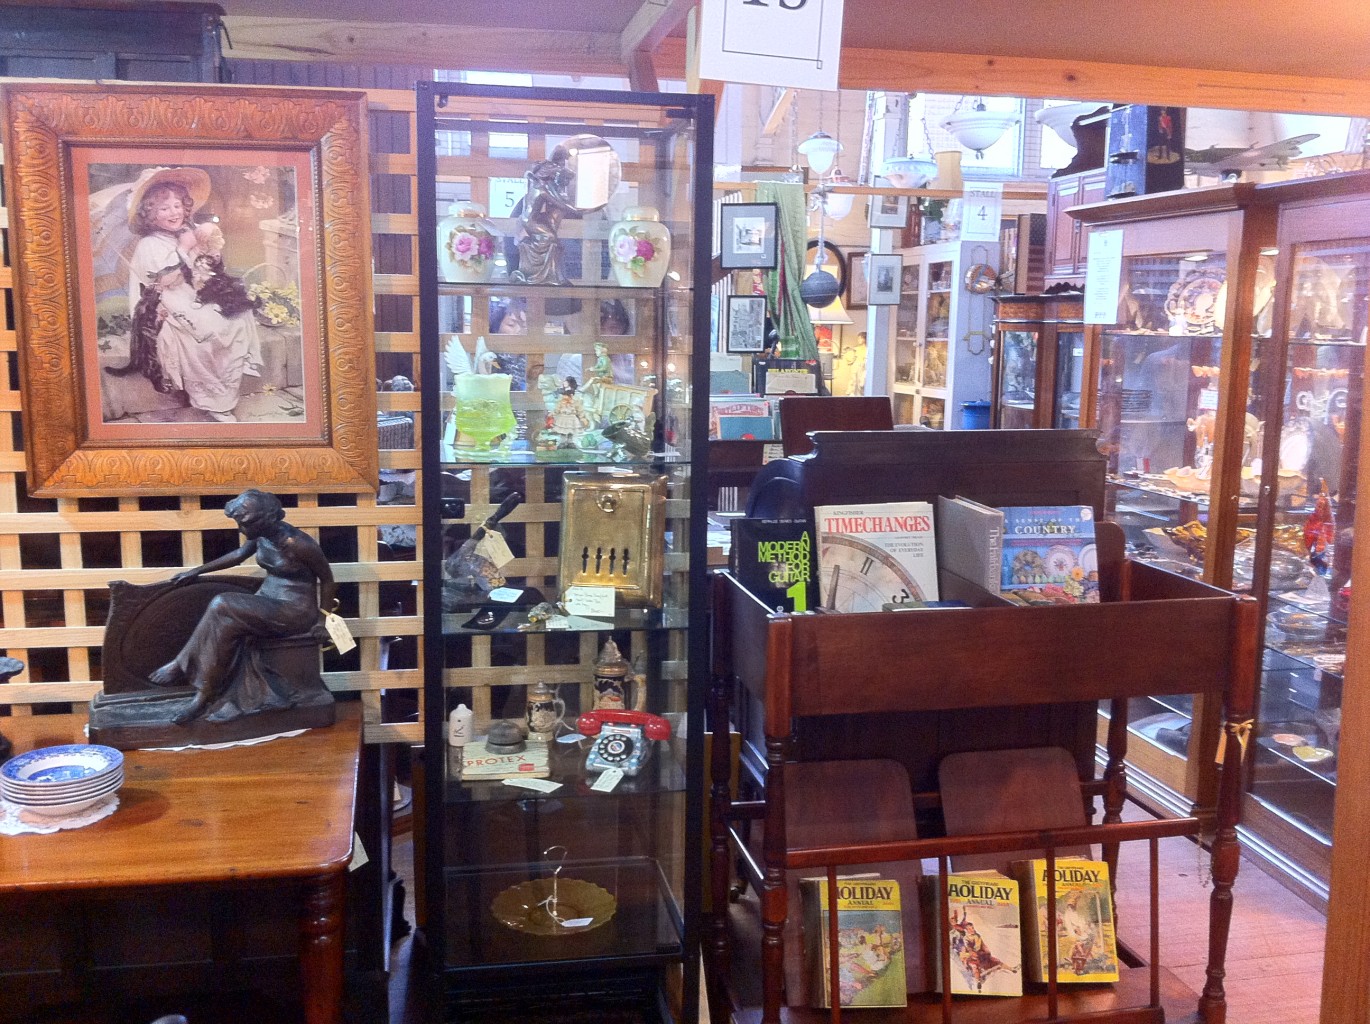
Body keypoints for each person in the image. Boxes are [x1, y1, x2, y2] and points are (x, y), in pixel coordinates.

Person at [148, 489, 336, 725]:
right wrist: (196, 571)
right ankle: (203, 695)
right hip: (268, 600)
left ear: (264, 520)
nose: (240, 529)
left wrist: (323, 620)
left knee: (223, 603)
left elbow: (328, 579)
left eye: (244, 524)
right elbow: (238, 555)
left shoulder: (298, 544)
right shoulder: (262, 534)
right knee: (225, 626)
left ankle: (184, 669)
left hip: (294, 611)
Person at [106, 167, 263, 423]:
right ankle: (213, 400)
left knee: (239, 315)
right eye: (164, 208)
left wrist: (207, 247)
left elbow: (205, 267)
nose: (174, 212)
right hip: (168, 302)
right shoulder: (149, 244)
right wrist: (183, 248)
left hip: (194, 295)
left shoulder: (185, 232)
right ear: (150, 215)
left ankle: (225, 391)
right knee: (209, 329)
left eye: (177, 205)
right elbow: (165, 280)